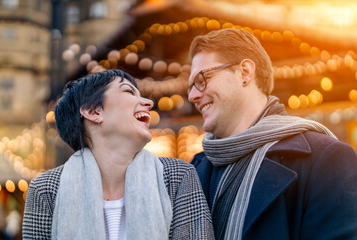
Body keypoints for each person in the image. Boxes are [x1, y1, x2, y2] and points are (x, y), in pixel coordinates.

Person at [187, 28, 357, 240]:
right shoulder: (193, 169)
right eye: (190, 87)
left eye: (202, 79)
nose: (193, 96)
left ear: (245, 73)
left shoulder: (327, 159)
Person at [22, 69, 214, 239]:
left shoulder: (178, 176)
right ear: (93, 111)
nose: (148, 102)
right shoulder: (45, 189)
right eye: (128, 91)